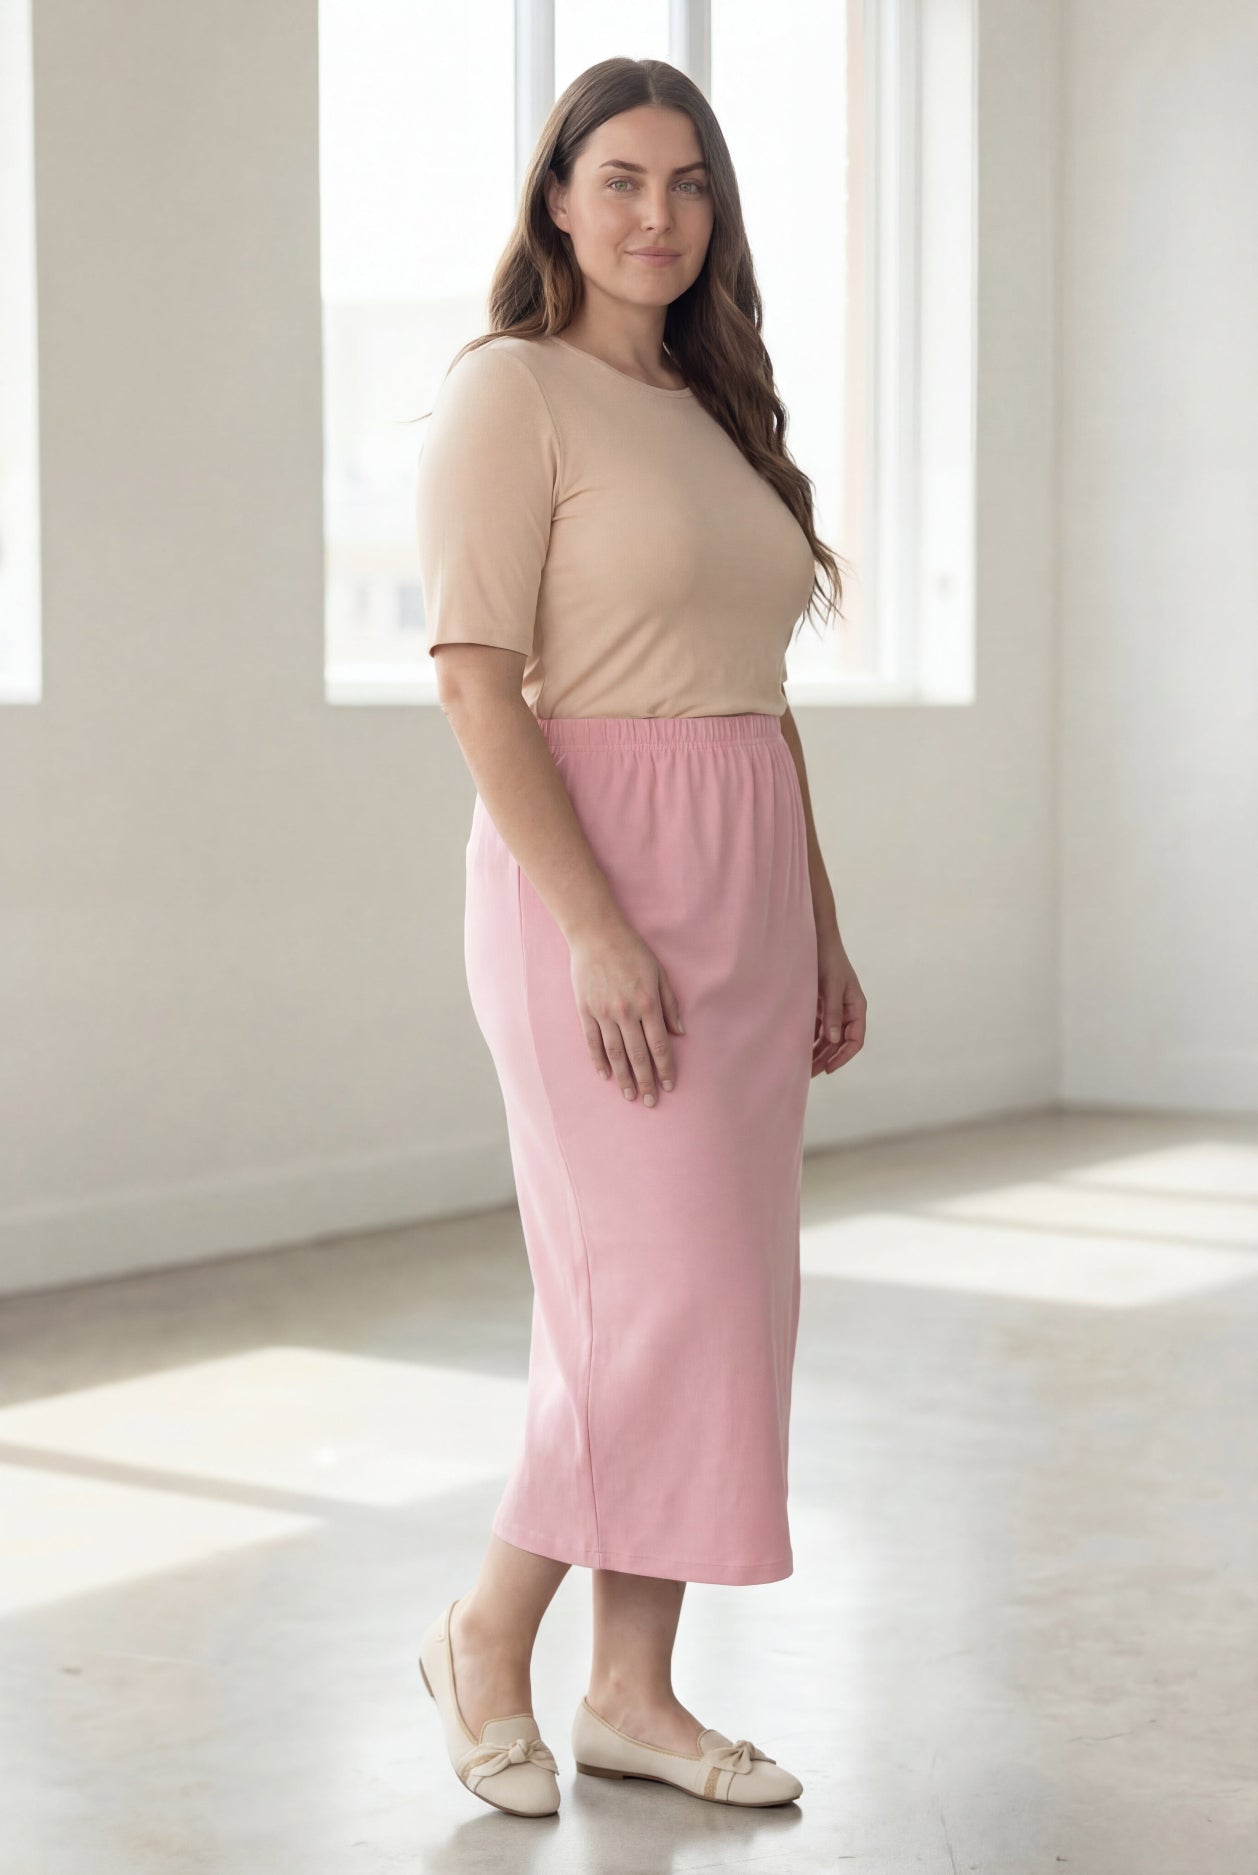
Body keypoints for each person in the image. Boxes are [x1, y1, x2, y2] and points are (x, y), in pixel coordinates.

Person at [413, 56, 866, 1819]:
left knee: (718, 1303)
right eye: (619, 180)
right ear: (554, 199)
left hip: (746, 883)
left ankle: (631, 1694)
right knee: (648, 1302)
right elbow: (472, 678)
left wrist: (818, 926)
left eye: (687, 184)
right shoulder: (507, 393)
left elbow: (760, 702)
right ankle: (482, 1632)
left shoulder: (713, 409)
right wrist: (592, 927)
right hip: (589, 880)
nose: (655, 216)